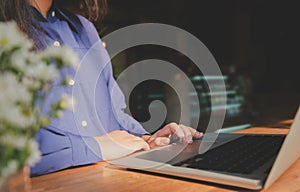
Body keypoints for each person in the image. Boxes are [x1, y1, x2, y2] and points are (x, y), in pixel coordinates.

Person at [0, 0, 202, 176]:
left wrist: (147, 140)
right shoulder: (6, 34)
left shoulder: (84, 29)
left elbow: (114, 117)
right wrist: (94, 147)